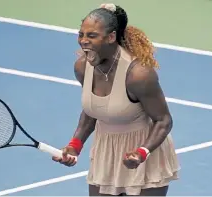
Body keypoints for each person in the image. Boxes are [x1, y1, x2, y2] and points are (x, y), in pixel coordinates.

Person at [52, 3, 180, 196]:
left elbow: (163, 120)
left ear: (111, 37)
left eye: (92, 35)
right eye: (81, 34)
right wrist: (74, 146)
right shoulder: (81, 67)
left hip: (144, 150)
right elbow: (93, 109)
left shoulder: (138, 75)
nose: (83, 41)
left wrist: (142, 152)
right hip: (106, 151)